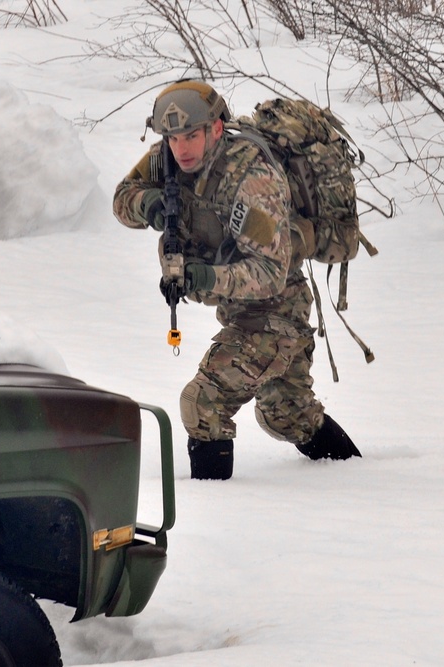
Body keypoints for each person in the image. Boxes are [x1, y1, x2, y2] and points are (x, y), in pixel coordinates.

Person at [112, 80, 360, 479]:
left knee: (202, 402)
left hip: (275, 313)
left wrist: (203, 276)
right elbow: (122, 198)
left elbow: (269, 274)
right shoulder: (169, 159)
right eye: (173, 138)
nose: (182, 148)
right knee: (288, 417)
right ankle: (361, 479)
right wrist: (149, 204)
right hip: (240, 310)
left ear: (215, 128)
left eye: (192, 136)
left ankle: (219, 510)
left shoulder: (252, 178)